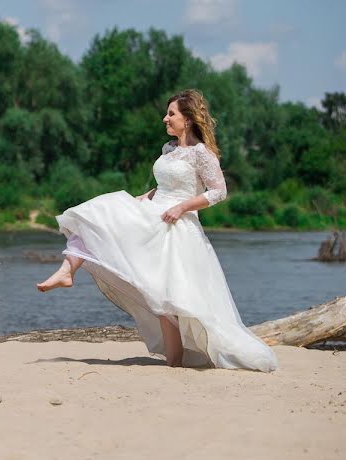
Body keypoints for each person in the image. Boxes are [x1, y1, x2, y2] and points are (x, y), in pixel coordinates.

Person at [37, 89, 278, 371]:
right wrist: (146, 197)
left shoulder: (202, 154)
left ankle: (176, 362)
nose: (165, 118)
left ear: (187, 119)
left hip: (178, 228)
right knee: (99, 214)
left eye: (171, 113)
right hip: (153, 214)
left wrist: (183, 207)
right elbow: (165, 186)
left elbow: (218, 192)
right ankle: (68, 269)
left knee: (169, 298)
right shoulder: (169, 150)